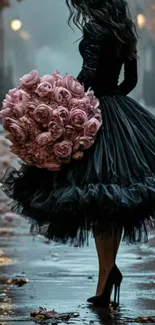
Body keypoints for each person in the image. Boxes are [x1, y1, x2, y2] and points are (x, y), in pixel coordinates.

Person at [1, 0, 155, 308]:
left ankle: (106, 276)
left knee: (100, 201)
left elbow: (89, 75)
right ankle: (107, 274)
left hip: (94, 114)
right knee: (114, 200)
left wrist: (69, 96)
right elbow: (131, 81)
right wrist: (113, 104)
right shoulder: (125, 29)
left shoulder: (94, 27)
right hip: (119, 112)